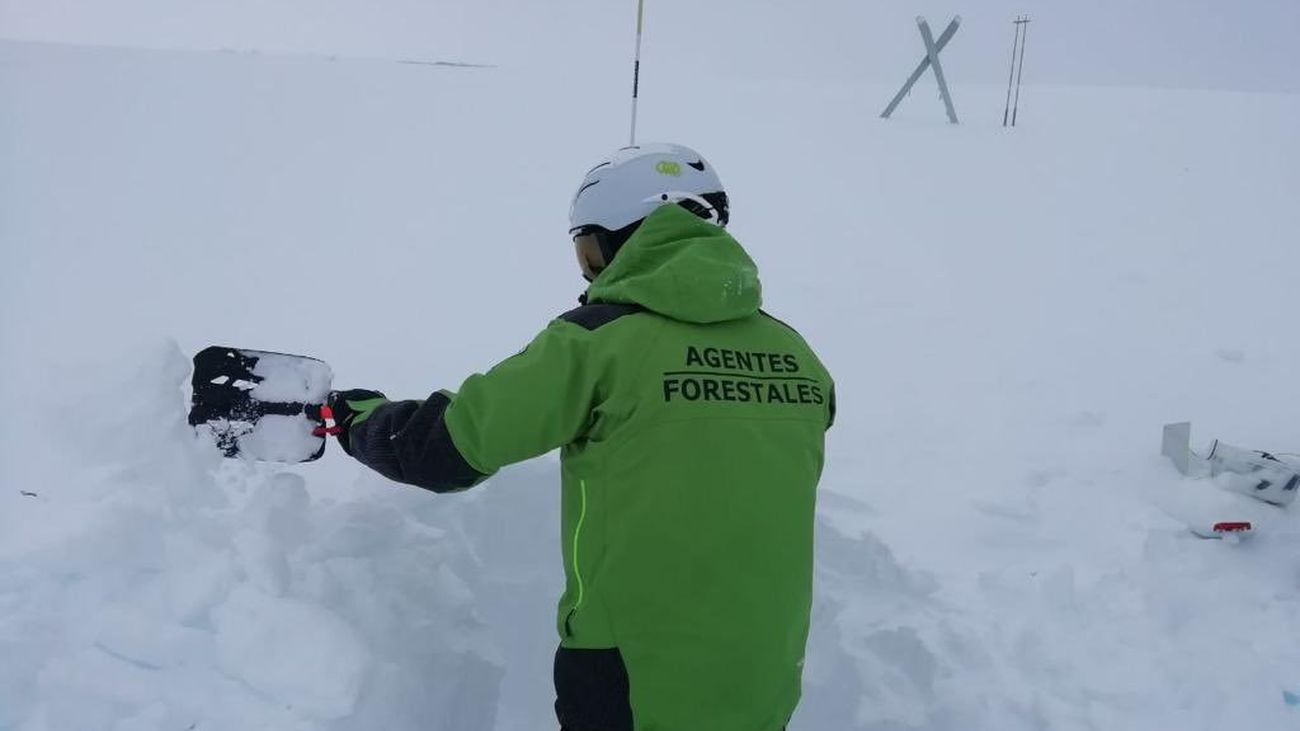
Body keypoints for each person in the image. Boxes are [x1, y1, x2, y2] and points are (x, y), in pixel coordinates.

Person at [325, 143, 834, 731]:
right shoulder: (798, 355)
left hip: (629, 668)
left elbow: (443, 452)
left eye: (590, 252)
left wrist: (354, 417)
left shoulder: (598, 342)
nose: (592, 272)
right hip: (765, 661)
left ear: (629, 237)